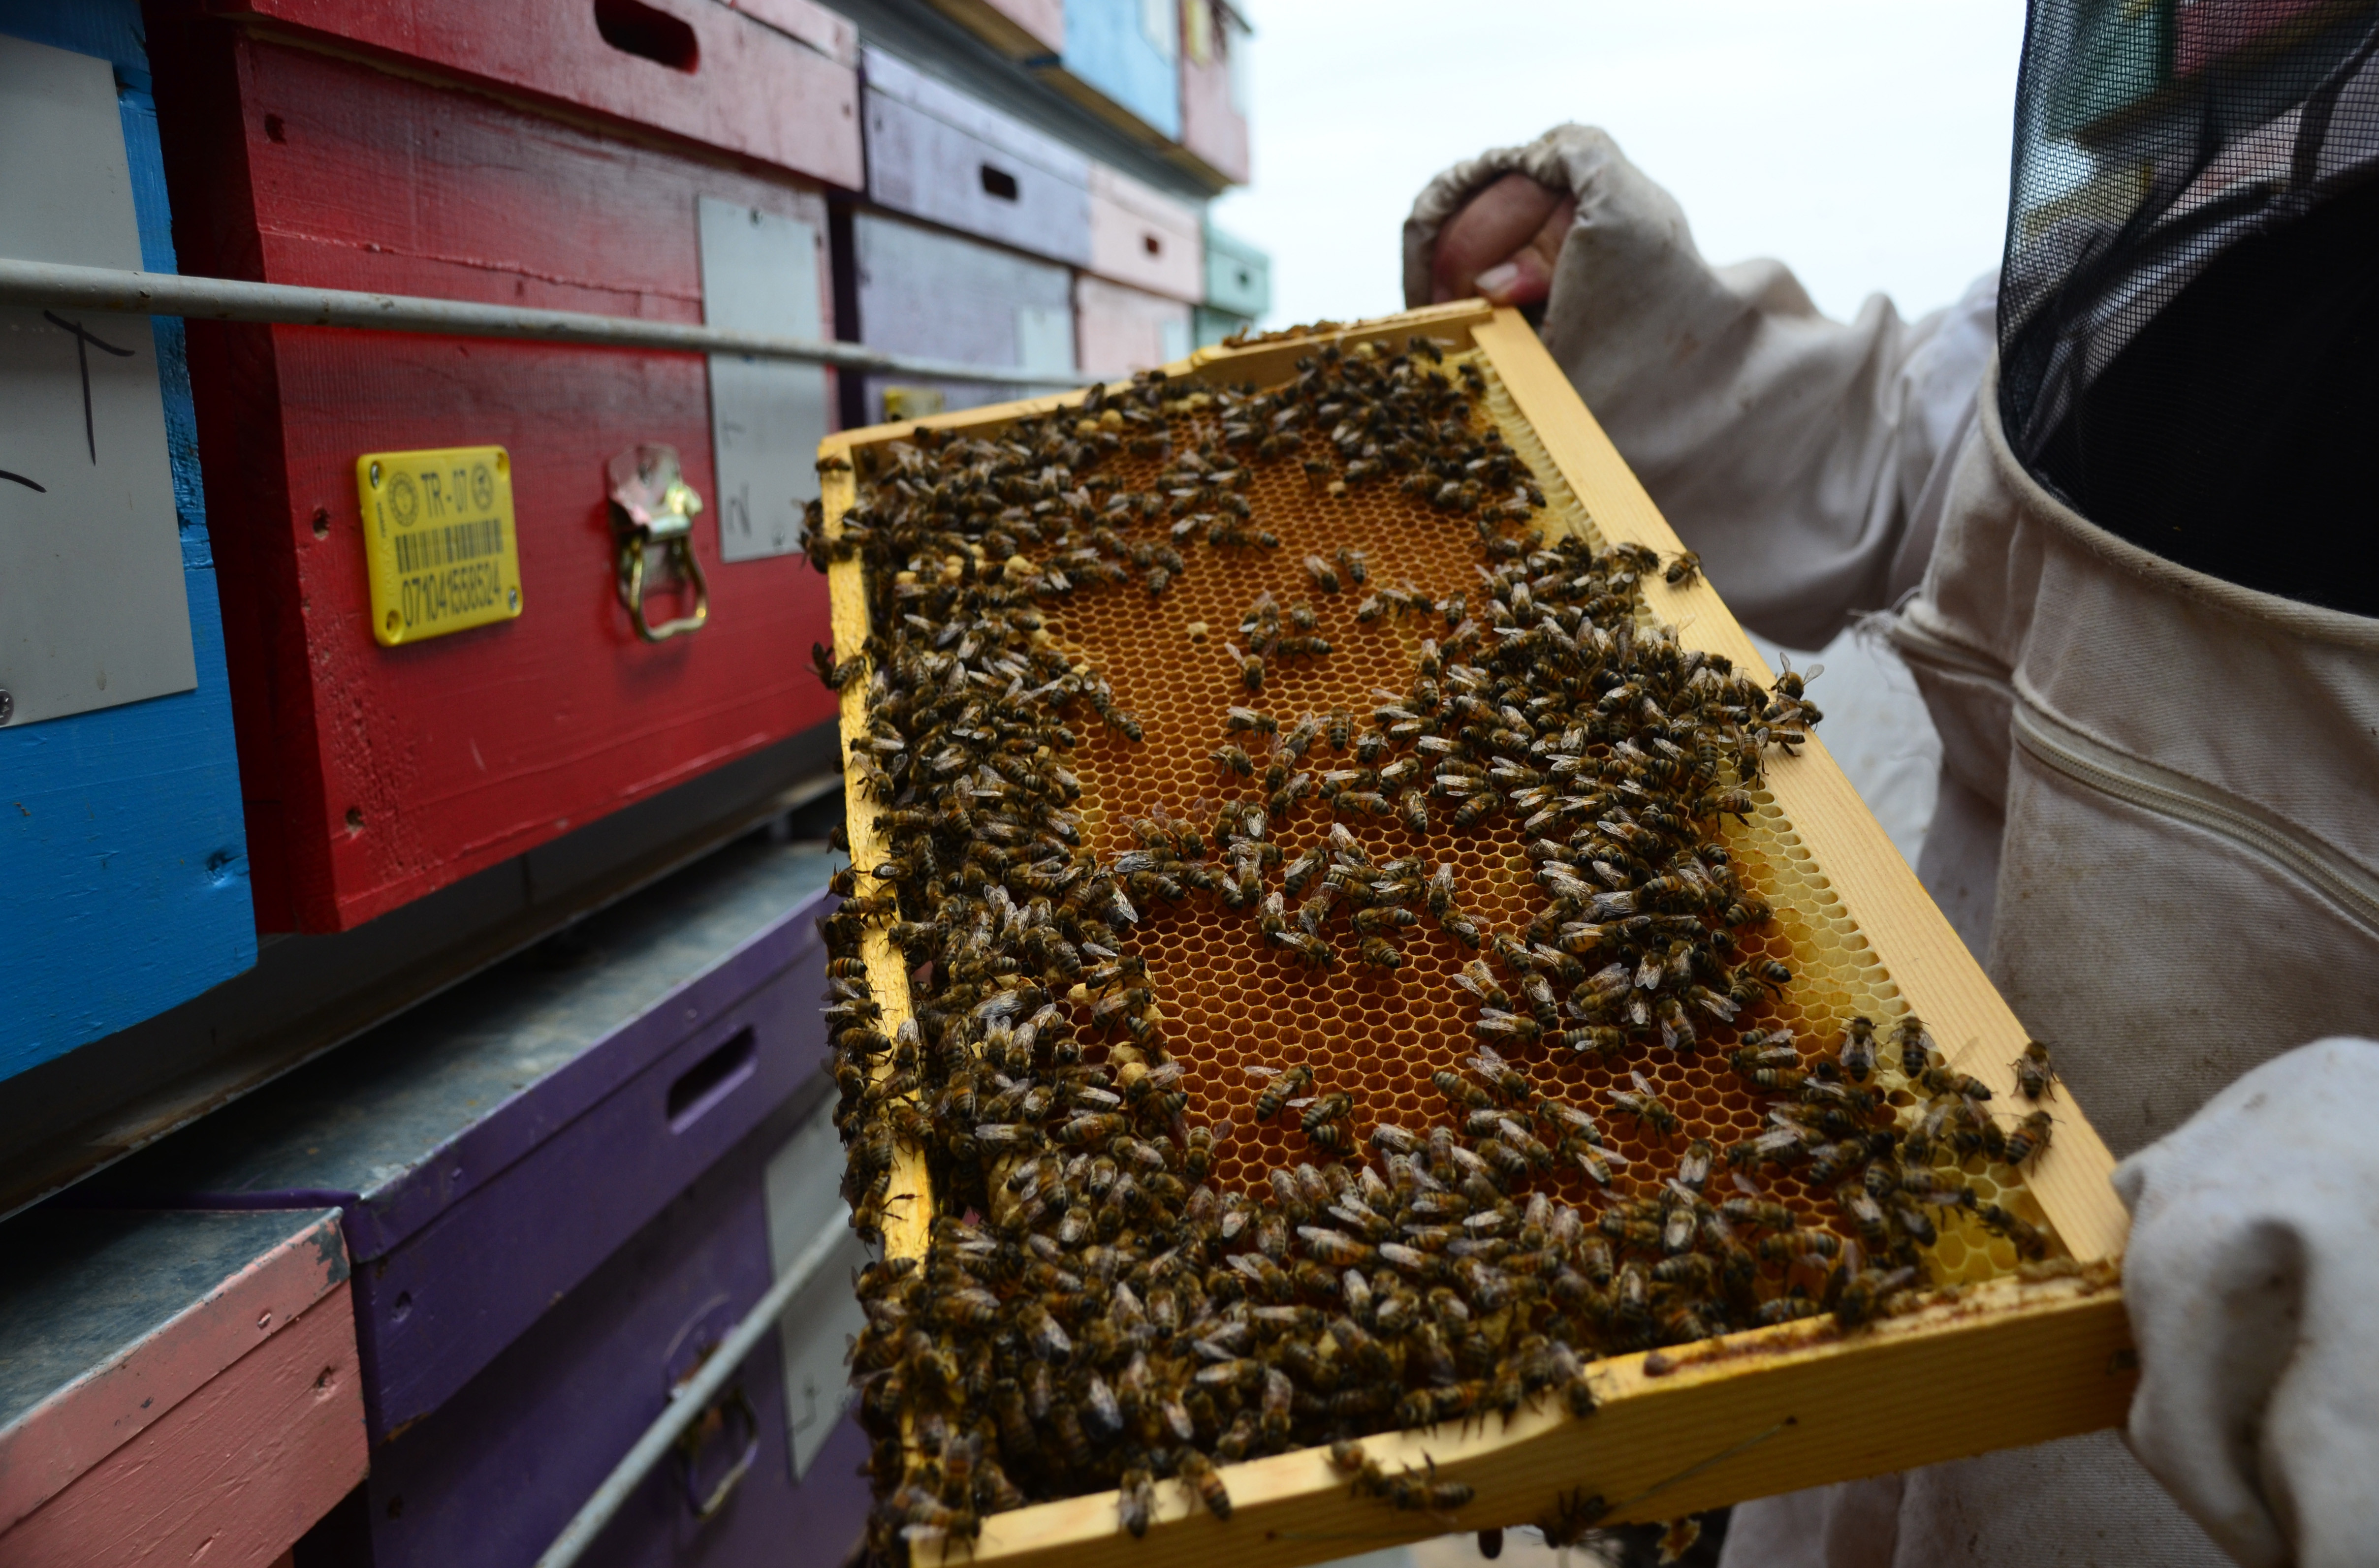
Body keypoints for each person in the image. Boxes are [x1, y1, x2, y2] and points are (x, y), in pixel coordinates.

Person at [1402, 7, 2379, 1567]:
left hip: (2193, 1487)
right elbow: (1904, 457)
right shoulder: (2184, 219)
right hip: (1880, 1299)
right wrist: (1606, 309)